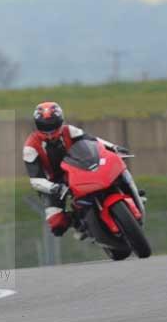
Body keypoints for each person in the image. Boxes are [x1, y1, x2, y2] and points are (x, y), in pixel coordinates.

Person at [23, 101, 128, 237]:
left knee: (113, 166)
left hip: (78, 168)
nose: (49, 130)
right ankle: (79, 224)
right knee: (57, 224)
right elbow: (35, 179)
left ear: (60, 121)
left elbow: (94, 141)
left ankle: (130, 190)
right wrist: (54, 187)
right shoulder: (30, 147)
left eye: (53, 124)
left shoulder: (69, 130)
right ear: (37, 125)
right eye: (44, 125)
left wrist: (114, 147)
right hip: (52, 182)